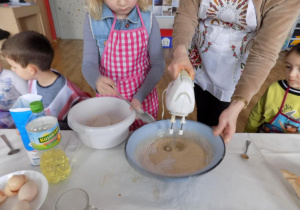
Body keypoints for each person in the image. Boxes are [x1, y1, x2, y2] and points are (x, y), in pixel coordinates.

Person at [167, 0, 300, 142]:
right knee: (203, 111)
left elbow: (264, 53)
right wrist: (180, 52)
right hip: (198, 63)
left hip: (238, 74)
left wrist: (237, 105)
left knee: (218, 125)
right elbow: (187, 16)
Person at [82, 0, 165, 130]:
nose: (122, 3)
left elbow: (158, 65)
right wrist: (96, 80)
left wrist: (139, 97)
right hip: (109, 102)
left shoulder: (149, 20)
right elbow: (88, 63)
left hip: (143, 99)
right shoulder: (92, 21)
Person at [1, 31, 91, 129]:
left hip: (72, 130)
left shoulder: (54, 98)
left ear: (31, 70)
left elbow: (49, 126)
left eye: (14, 67)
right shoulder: (40, 75)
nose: (12, 69)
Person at [245, 43, 300, 133]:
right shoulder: (275, 88)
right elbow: (256, 115)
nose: (291, 74)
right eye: (288, 66)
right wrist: (248, 134)